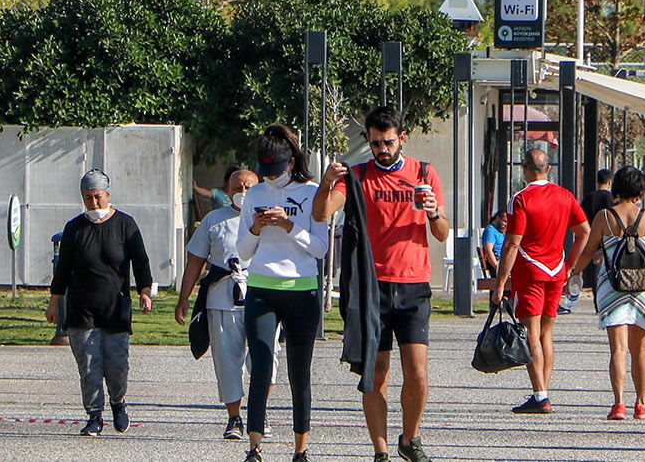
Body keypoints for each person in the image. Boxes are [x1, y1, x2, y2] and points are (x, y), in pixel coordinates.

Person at [313, 105, 449, 462]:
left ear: (401, 138)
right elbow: (322, 213)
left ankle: (410, 438)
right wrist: (327, 182)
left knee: (417, 371)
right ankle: (381, 450)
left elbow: (442, 232)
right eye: (375, 143)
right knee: (377, 372)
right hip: (371, 287)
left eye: (388, 142)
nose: (382, 150)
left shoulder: (423, 173)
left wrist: (433, 211)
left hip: (413, 284)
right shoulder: (356, 176)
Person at [237, 125, 328, 462]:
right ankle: (254, 445)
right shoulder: (255, 194)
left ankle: (300, 447)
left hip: (301, 288)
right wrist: (257, 227)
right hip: (261, 286)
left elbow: (320, 248)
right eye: (266, 172)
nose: (270, 178)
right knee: (260, 362)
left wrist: (290, 227)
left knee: (298, 370)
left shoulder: (311, 191)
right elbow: (243, 251)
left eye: (276, 171)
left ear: (291, 162)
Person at [175, 168, 280, 441]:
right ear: (228, 190)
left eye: (248, 187)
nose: (242, 192)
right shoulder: (214, 220)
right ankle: (234, 417)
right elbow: (195, 261)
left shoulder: (273, 218)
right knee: (227, 362)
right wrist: (183, 298)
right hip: (222, 298)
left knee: (266, 358)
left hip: (264, 296)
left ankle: (260, 412)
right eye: (237, 187)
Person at [46, 169, 153, 437]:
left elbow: (140, 260)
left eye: (98, 197)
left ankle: (118, 403)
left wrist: (144, 290)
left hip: (115, 307)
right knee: (89, 364)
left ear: (108, 195)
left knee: (116, 364)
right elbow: (63, 268)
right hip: (82, 308)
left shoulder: (125, 224)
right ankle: (94, 415)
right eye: (87, 198)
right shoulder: (75, 228)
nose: (94, 203)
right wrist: (54, 301)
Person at [569, 165, 645, 420]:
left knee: (617, 350)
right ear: (641, 190)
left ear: (616, 188)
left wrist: (574, 273)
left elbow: (587, 250)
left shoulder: (604, 217)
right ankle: (640, 402)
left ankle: (618, 404)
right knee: (639, 350)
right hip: (642, 287)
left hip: (611, 286)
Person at [491, 148, 590, 414]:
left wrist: (500, 283)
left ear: (524, 170)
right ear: (548, 169)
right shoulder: (565, 196)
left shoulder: (519, 199)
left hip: (530, 271)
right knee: (547, 333)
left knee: (530, 333)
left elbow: (512, 244)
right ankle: (543, 390)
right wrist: (570, 265)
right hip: (556, 270)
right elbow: (584, 232)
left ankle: (539, 395)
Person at [578, 169, 614, 291]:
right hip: (608, 238)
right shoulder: (612, 199)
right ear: (609, 182)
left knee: (594, 272)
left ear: (597, 181)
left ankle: (596, 296)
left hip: (591, 238)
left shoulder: (589, 198)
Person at [480, 210, 506, 276]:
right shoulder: (490, 230)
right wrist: (497, 267)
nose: (506, 225)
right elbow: (488, 250)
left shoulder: (500, 233)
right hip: (500, 265)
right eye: (505, 221)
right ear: (497, 218)